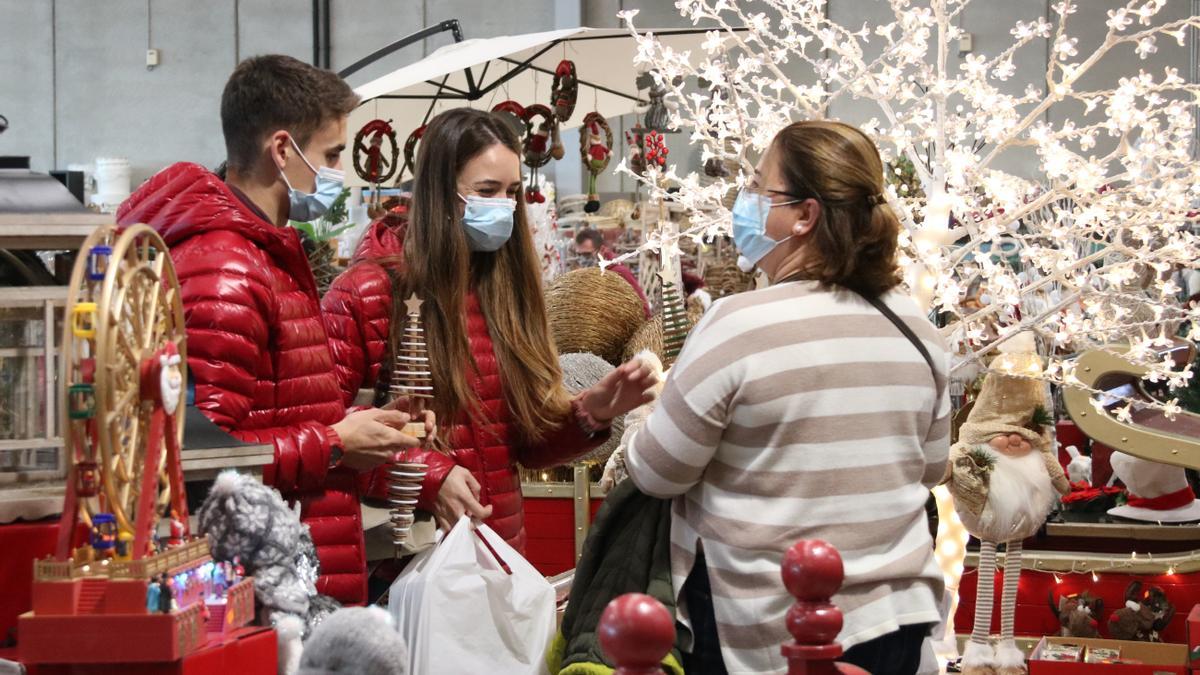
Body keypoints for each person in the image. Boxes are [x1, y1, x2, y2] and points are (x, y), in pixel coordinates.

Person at [623, 120, 950, 675]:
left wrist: (637, 419)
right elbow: (931, 467)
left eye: (758, 188)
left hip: (766, 625)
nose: (745, 202)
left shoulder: (738, 324)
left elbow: (658, 472)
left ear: (805, 215)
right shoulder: (914, 326)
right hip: (895, 614)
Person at [117, 55, 429, 605]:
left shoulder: (268, 253)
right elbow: (200, 459)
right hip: (267, 590)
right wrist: (333, 444)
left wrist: (356, 425)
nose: (340, 173)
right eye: (332, 154)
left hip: (294, 569)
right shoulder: (228, 271)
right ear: (282, 150)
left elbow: (272, 409)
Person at [323, 107, 657, 553]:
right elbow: (326, 442)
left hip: (498, 555)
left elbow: (520, 445)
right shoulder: (369, 293)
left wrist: (589, 413)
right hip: (405, 564)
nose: (502, 207)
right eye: (486, 191)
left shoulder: (505, 290)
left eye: (511, 192)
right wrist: (428, 476)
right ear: (441, 192)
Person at [572, 228, 650, 317]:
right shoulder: (587, 274)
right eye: (579, 255)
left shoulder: (619, 272)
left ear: (601, 250)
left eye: (587, 254)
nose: (582, 259)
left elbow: (644, 309)